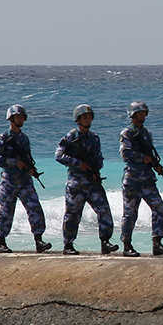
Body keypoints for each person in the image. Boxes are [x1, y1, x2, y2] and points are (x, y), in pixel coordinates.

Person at [55, 104, 117, 254]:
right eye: (84, 117)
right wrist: (78, 164)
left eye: (89, 117)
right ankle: (68, 245)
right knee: (73, 215)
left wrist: (96, 167)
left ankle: (105, 242)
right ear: (78, 119)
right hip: (76, 182)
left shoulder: (94, 138)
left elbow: (99, 157)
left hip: (92, 181)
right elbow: (59, 156)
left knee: (104, 210)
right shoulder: (71, 137)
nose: (87, 119)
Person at [0, 104, 51, 253]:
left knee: (35, 209)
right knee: (6, 212)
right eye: (17, 117)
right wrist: (14, 162)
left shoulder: (24, 138)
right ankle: (1, 242)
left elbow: (27, 158)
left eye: (22, 117)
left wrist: (31, 169)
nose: (20, 120)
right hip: (9, 181)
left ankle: (39, 240)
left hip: (25, 181)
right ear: (11, 119)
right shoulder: (3, 138)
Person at [119, 100, 163, 256]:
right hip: (133, 180)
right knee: (130, 214)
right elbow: (125, 153)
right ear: (133, 115)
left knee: (160, 211)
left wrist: (156, 165)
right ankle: (127, 245)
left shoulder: (146, 133)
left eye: (143, 113)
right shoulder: (127, 133)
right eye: (139, 114)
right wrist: (143, 158)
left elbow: (150, 154)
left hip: (148, 180)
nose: (142, 116)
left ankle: (157, 243)